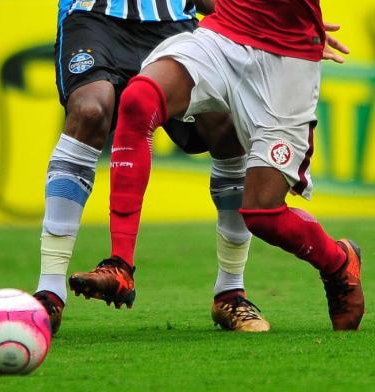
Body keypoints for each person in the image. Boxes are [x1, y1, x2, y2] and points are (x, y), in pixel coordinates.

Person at [68, 1, 363, 331]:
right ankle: (119, 265)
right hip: (223, 36)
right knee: (139, 100)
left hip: (285, 60)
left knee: (263, 215)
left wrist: (298, 23)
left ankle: (337, 261)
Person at [34, 0, 271, 336]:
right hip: (94, 19)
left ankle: (230, 292)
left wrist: (264, 25)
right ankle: (49, 292)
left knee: (226, 127)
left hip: (174, 23)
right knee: (89, 111)